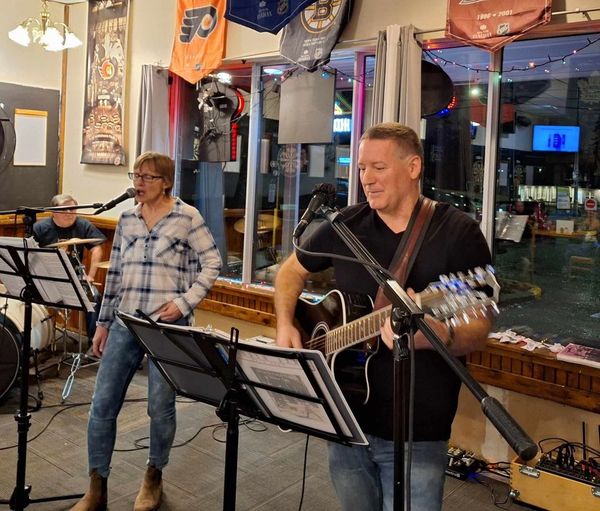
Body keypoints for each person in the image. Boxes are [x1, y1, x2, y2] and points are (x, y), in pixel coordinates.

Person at [274, 122, 493, 511]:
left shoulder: (457, 232)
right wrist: (286, 323)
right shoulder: (344, 225)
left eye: (378, 167)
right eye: (361, 168)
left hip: (416, 427)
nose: (366, 179)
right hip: (345, 416)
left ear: (413, 167)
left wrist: (438, 335)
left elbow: (479, 328)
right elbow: (290, 271)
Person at [71, 152, 222, 511]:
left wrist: (184, 303)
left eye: (147, 177)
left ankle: (153, 476)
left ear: (166, 182)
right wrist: (103, 324)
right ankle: (96, 487)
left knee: (159, 406)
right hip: (125, 323)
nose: (138, 182)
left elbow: (213, 262)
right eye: (135, 175)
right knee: (102, 404)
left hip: (167, 328)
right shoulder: (127, 219)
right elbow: (116, 275)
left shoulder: (187, 217)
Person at [33, 193, 106, 342]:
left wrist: (90, 275)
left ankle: (93, 342)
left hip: (74, 278)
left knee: (94, 297)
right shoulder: (40, 227)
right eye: (64, 209)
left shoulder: (83, 225)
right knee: (20, 294)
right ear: (53, 212)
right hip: (45, 278)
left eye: (72, 209)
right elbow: (30, 254)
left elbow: (97, 248)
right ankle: (29, 339)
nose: (69, 213)